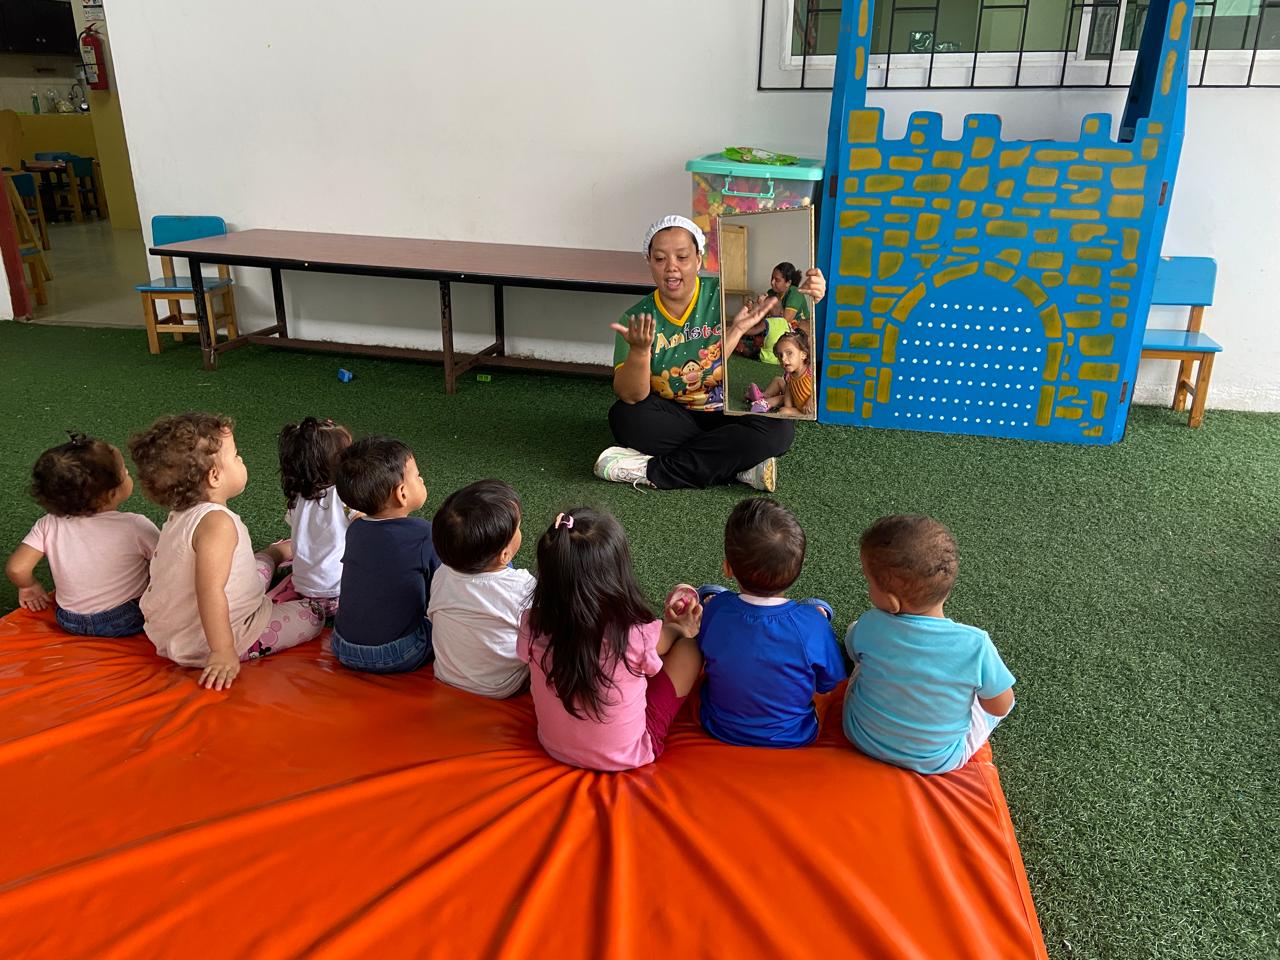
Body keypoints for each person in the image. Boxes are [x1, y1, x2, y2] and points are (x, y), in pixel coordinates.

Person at [594, 214, 826, 493]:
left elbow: (782, 317)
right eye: (660, 259)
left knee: (780, 431)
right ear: (649, 261)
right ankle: (739, 467)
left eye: (682, 257)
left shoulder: (722, 294)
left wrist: (813, 299)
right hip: (672, 416)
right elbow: (632, 395)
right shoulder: (637, 317)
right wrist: (641, 351)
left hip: (724, 411)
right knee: (625, 417)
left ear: (698, 259)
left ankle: (652, 471)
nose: (671, 267)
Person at [131, 413, 324, 690]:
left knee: (258, 564)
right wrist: (222, 651)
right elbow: (210, 592)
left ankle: (274, 554)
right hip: (215, 637)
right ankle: (250, 624)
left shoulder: (182, 512)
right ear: (214, 476)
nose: (241, 459)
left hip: (170, 629)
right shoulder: (218, 525)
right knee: (313, 615)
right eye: (235, 456)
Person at [516, 507, 703, 771]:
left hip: (553, 746)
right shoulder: (634, 634)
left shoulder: (532, 623)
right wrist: (680, 628)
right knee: (689, 650)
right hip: (627, 755)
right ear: (615, 574)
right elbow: (667, 640)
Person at [843, 515, 1016, 774]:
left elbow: (853, 652)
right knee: (995, 704)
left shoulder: (871, 623)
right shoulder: (976, 645)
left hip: (861, 735)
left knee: (859, 645)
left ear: (892, 602)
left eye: (869, 582)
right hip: (937, 760)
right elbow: (999, 706)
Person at [697, 498, 845, 748]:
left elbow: (704, 651)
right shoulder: (812, 627)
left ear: (728, 568)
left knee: (712, 596)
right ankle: (816, 609)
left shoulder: (716, 611)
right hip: (794, 735)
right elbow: (827, 683)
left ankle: (718, 595)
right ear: (797, 569)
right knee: (815, 608)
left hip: (718, 727)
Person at [5, 433, 158, 637]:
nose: (129, 474)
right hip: (125, 618)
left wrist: (29, 587)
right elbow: (169, 562)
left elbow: (17, 568)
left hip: (69, 619)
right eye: (126, 472)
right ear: (111, 493)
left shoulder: (49, 523)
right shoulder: (135, 525)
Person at [330, 437, 440, 674]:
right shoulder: (424, 534)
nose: (422, 479)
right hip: (397, 653)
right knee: (445, 621)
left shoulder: (355, 530)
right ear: (402, 493)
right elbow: (443, 586)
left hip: (342, 646)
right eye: (417, 476)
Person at [428, 479, 533, 698]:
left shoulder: (442, 573)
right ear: (505, 554)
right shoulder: (523, 587)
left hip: (447, 675)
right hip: (502, 686)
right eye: (518, 528)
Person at [276, 417, 354, 618]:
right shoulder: (344, 495)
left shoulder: (298, 496)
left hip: (304, 589)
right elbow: (365, 525)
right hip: (340, 593)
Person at [735, 262, 810, 360]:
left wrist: (762, 309)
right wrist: (753, 308)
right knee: (751, 328)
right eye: (772, 278)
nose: (772, 282)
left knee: (758, 331)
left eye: (777, 280)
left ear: (788, 282)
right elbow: (763, 316)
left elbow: (784, 321)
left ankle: (751, 349)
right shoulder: (771, 292)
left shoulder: (795, 293)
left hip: (794, 330)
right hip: (777, 329)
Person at [745, 330, 815, 418]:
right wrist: (788, 405)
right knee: (778, 380)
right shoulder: (790, 375)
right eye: (780, 355)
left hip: (805, 410)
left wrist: (811, 401)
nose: (783, 359)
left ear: (803, 355)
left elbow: (819, 389)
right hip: (795, 400)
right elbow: (789, 391)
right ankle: (763, 397)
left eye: (789, 353)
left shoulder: (810, 371)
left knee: (784, 410)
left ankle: (764, 402)